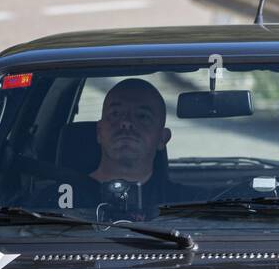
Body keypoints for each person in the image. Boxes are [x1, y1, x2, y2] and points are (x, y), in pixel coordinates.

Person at [29, 77, 184, 219]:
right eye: (115, 113)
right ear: (99, 132)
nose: (126, 122)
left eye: (142, 116)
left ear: (162, 138)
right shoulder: (50, 204)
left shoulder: (187, 204)